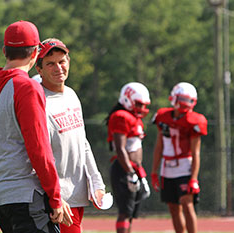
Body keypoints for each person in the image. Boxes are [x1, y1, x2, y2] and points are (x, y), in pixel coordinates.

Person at [0, 21, 72, 233]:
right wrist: (55, 196)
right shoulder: (26, 86)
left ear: (4, 51)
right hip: (26, 194)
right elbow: (39, 147)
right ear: (36, 52)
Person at [35, 38, 107, 233]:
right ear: (39, 70)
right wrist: (54, 196)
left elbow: (82, 143)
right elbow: (37, 153)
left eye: (62, 61)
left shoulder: (72, 95)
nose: (58, 67)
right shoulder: (37, 100)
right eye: (50, 64)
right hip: (56, 200)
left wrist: (96, 181)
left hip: (76, 195)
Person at [150, 82, 208, 233]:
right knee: (173, 207)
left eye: (187, 100)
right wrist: (154, 171)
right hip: (167, 166)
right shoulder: (163, 116)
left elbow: (196, 152)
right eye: (182, 99)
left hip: (184, 165)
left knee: (187, 203)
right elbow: (159, 146)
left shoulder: (195, 120)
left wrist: (194, 178)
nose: (184, 104)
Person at [105, 82, 151, 233]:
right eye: (138, 104)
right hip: (124, 169)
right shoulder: (121, 116)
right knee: (125, 212)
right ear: (127, 99)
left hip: (133, 169)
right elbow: (120, 148)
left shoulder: (133, 118)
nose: (142, 109)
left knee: (130, 213)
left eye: (144, 105)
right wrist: (130, 172)